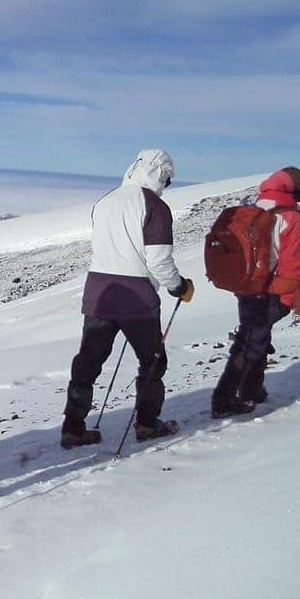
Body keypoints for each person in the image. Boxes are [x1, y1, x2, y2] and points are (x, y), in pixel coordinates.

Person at [60, 149, 194, 449]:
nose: (167, 185)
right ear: (161, 174)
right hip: (137, 298)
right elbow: (159, 261)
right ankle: (147, 424)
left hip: (99, 291)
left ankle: (72, 428)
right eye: (168, 179)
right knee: (152, 361)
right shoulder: (155, 207)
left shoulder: (105, 201)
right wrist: (178, 286)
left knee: (88, 361)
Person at [211, 167, 300, 417]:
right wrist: (287, 300)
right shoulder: (291, 218)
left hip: (245, 286)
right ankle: (224, 399)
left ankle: (251, 389)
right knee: (251, 341)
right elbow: (292, 267)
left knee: (254, 336)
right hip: (268, 290)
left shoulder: (253, 209)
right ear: (294, 189)